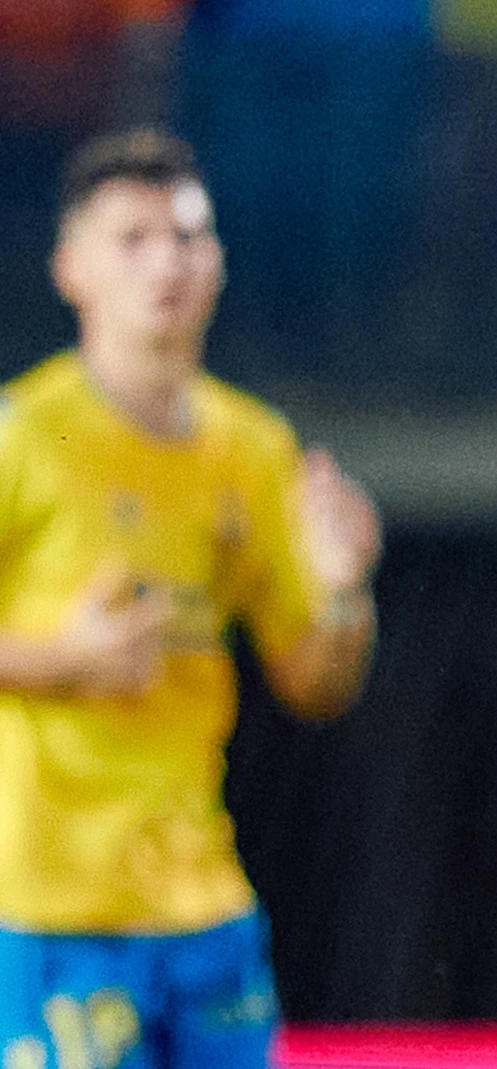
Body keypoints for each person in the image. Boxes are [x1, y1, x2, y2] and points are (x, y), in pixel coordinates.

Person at [0, 128, 382, 1069]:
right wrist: (61, 661)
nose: (166, 261)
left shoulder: (254, 448)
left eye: (187, 236)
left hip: (205, 908)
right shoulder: (25, 437)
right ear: (69, 268)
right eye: (132, 239)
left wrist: (344, 595)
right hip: (53, 913)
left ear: (217, 262)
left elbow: (316, 683)